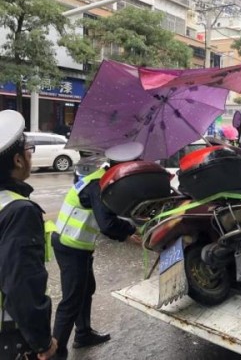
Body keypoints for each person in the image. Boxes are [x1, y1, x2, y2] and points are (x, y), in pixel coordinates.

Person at [51, 142, 143, 360]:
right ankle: (56, 353)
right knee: (71, 300)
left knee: (86, 288)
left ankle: (83, 334)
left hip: (78, 246)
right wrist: (130, 234)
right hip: (69, 246)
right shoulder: (98, 185)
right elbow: (107, 224)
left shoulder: (104, 179)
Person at [0, 110, 58, 360]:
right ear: (18, 160)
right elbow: (21, 284)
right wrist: (42, 342)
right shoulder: (19, 211)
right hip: (9, 333)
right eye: (29, 149)